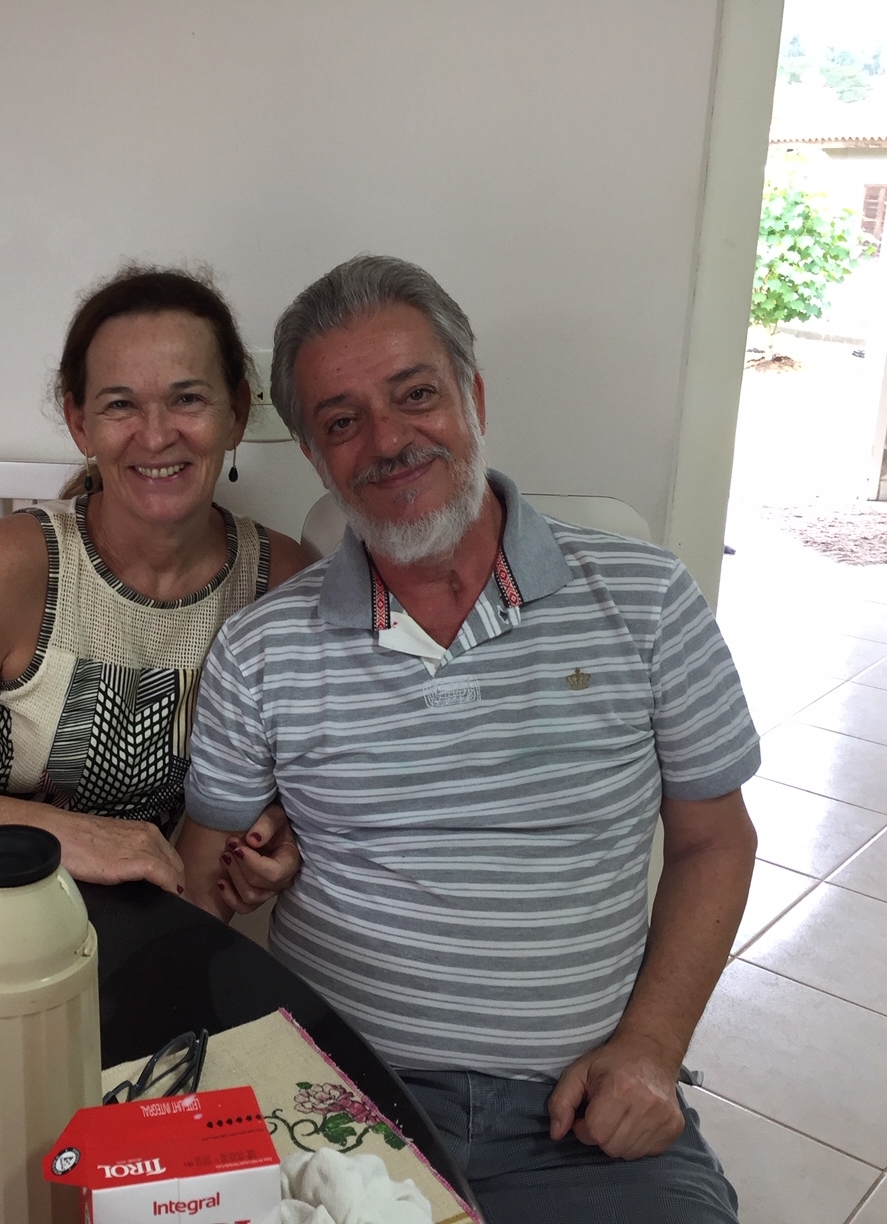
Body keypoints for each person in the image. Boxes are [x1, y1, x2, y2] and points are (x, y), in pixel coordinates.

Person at [177, 255, 759, 1222]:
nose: (388, 441)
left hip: (583, 1109)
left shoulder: (648, 601)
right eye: (342, 421)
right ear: (316, 457)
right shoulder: (262, 647)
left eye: (416, 395)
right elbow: (205, 879)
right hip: (338, 1100)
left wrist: (652, 1050)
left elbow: (716, 841)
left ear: (473, 399)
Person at [0, 266, 309, 897]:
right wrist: (69, 836)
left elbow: (277, 793)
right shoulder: (16, 562)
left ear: (237, 413)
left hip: (151, 921)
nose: (156, 434)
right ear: (80, 424)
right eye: (120, 404)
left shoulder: (280, 580)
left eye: (188, 399)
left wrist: (283, 833)